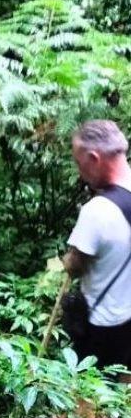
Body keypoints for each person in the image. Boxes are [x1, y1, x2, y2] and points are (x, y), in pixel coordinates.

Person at [64, 119, 131, 380]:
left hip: (102, 325)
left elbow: (75, 266)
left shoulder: (97, 210)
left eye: (79, 163)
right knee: (125, 390)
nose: (80, 172)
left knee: (88, 394)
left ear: (94, 158)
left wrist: (68, 259)